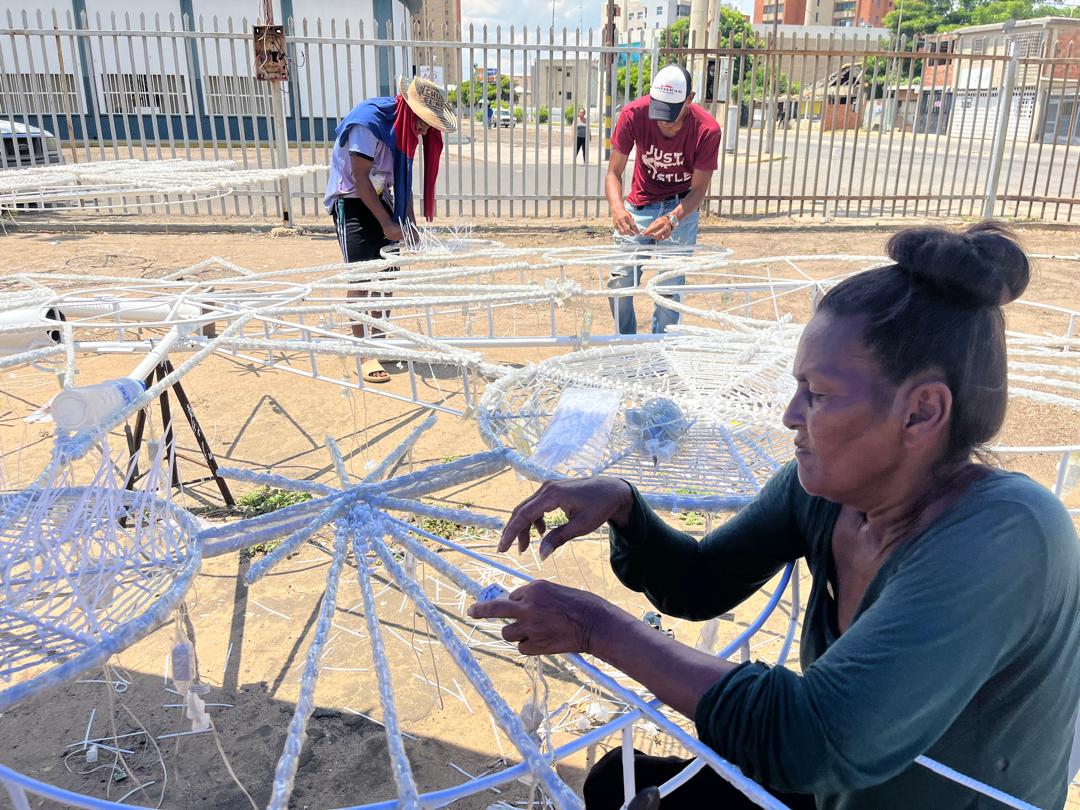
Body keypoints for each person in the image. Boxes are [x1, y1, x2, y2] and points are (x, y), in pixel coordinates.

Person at [470, 223, 1080, 809]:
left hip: (881, 782)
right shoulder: (827, 494)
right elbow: (702, 583)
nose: (791, 415)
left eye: (818, 394)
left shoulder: (1007, 538)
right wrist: (626, 508)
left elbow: (814, 737)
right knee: (615, 785)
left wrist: (592, 624)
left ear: (921, 413)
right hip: (833, 783)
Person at [324, 75, 457, 383]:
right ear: (409, 110)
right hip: (353, 200)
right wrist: (385, 222)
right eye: (423, 122)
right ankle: (363, 351)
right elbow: (360, 178)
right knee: (362, 275)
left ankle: (380, 342)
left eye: (430, 125)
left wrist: (408, 223)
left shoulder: (406, 131)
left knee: (387, 274)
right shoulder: (369, 122)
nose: (424, 130)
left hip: (382, 196)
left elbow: (402, 179)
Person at [606, 64, 721, 335]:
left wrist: (673, 218)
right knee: (620, 283)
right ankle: (627, 344)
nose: (663, 121)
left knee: (669, 289)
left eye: (671, 112)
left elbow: (699, 190)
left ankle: (660, 352)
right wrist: (617, 208)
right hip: (640, 205)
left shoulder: (707, 130)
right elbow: (614, 172)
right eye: (659, 111)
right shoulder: (633, 114)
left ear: (689, 99)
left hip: (680, 206)